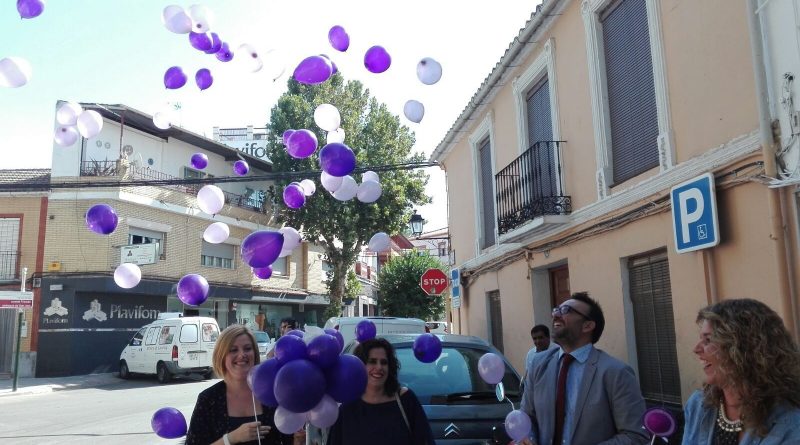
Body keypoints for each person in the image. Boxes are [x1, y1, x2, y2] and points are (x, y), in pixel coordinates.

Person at [519, 292, 648, 445]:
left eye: (566, 310)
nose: (556, 315)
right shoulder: (538, 365)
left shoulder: (616, 373)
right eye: (557, 310)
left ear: (588, 326)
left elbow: (635, 435)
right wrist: (528, 437)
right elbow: (526, 417)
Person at [682, 298, 800, 444]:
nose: (696, 349)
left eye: (708, 340)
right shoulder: (698, 405)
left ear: (745, 348)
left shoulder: (791, 423)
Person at [186, 325, 304, 445]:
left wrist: (298, 440)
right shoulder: (208, 400)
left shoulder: (273, 391)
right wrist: (231, 438)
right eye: (233, 350)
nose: (242, 355)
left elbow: (288, 439)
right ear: (221, 356)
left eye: (247, 349)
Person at [326, 338, 435, 445]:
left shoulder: (406, 401)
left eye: (384, 362)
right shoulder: (347, 409)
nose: (379, 367)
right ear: (360, 365)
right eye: (372, 362)